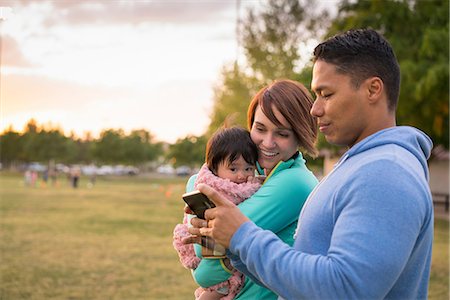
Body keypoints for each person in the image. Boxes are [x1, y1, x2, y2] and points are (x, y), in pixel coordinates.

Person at [190, 29, 434, 299]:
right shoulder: (364, 164)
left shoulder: (386, 173)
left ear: (372, 90)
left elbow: (345, 288)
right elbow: (303, 276)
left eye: (326, 94)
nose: (315, 109)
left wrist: (242, 236)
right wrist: (239, 250)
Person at [182, 79, 319, 299]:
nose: (267, 142)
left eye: (282, 134)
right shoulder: (256, 175)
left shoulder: (295, 183)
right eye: (260, 128)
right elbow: (195, 181)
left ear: (300, 135)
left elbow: (205, 259)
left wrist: (199, 199)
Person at [174, 126, 261, 299]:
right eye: (234, 169)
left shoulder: (248, 185)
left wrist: (256, 184)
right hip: (209, 249)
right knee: (219, 290)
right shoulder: (216, 188)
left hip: (223, 255)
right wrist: (254, 187)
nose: (241, 175)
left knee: (221, 290)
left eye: (248, 168)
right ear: (215, 168)